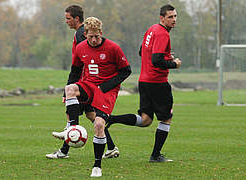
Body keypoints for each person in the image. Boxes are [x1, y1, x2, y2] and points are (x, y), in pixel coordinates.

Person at [106, 4, 182, 162]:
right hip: (158, 82)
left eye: (175, 16)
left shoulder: (152, 29)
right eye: (170, 17)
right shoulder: (162, 34)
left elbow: (142, 51)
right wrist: (174, 63)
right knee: (166, 118)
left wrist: (164, 56)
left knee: (146, 120)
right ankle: (155, 155)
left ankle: (111, 119)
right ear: (162, 18)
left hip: (144, 81)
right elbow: (156, 60)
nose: (174, 20)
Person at [46, 5, 119, 160]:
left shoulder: (82, 35)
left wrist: (73, 88)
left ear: (77, 19)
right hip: (86, 83)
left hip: (86, 85)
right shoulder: (80, 33)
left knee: (72, 114)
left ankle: (65, 145)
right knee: (92, 116)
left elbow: (83, 64)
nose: (66, 21)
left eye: (68, 18)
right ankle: (111, 147)